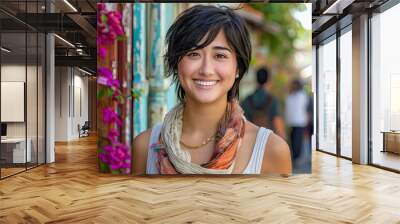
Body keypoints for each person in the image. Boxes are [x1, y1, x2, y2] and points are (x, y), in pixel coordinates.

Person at [132, 5, 291, 175]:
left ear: (237, 68)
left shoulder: (272, 151)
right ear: (177, 63)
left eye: (220, 56)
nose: (206, 69)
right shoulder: (144, 147)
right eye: (193, 54)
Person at [241, 67, 287, 140]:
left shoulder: (247, 100)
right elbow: (278, 126)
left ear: (256, 80)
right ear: (269, 80)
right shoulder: (273, 100)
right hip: (268, 143)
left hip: (250, 143)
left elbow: (242, 125)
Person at [285, 79, 308, 162]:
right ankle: (294, 158)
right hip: (291, 122)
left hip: (299, 122)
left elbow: (304, 107)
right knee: (292, 140)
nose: (292, 86)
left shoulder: (302, 95)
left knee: (297, 141)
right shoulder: (290, 96)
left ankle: (296, 158)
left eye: (294, 85)